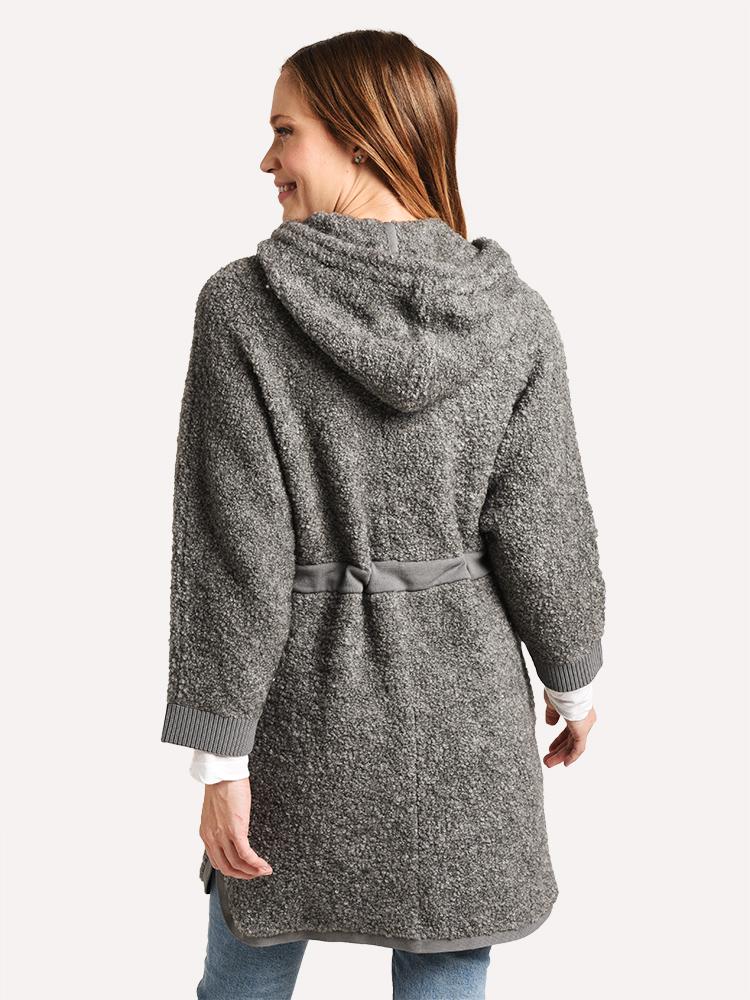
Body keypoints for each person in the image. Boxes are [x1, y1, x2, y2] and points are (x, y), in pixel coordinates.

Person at [161, 29, 606, 1000]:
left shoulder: (244, 307)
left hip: (297, 722)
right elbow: (546, 530)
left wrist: (220, 759)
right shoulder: (514, 316)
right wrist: (574, 683)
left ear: (359, 139)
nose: (267, 159)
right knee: (448, 968)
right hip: (467, 723)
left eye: (285, 131)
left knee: (244, 976)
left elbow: (234, 554)